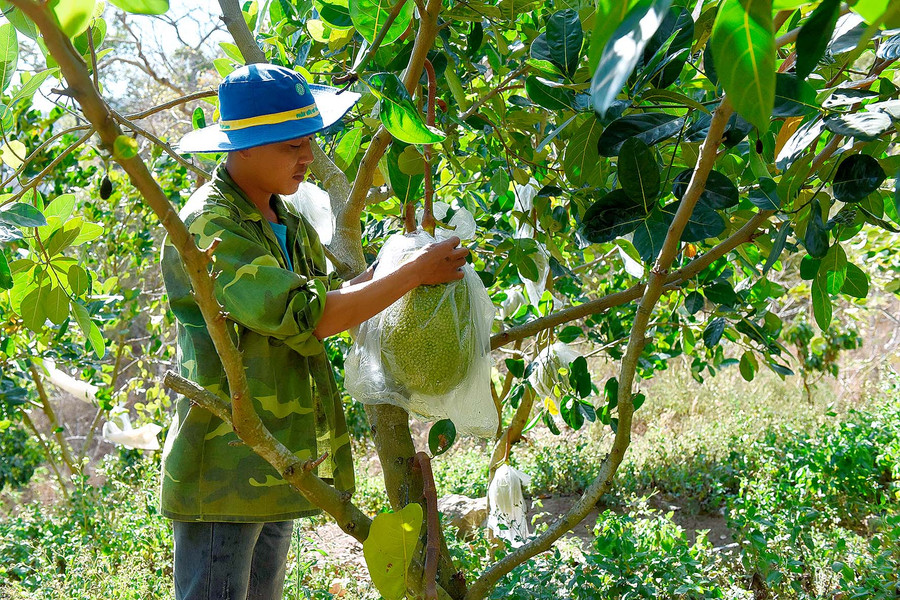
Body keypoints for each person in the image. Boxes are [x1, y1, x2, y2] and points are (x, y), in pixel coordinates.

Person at [160, 64, 468, 600]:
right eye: (289, 146)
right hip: (225, 468)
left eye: (309, 142)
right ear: (243, 148)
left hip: (283, 457)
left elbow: (329, 296)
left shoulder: (289, 221)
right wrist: (414, 274)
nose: (306, 156)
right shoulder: (210, 226)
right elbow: (312, 316)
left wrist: (404, 260)